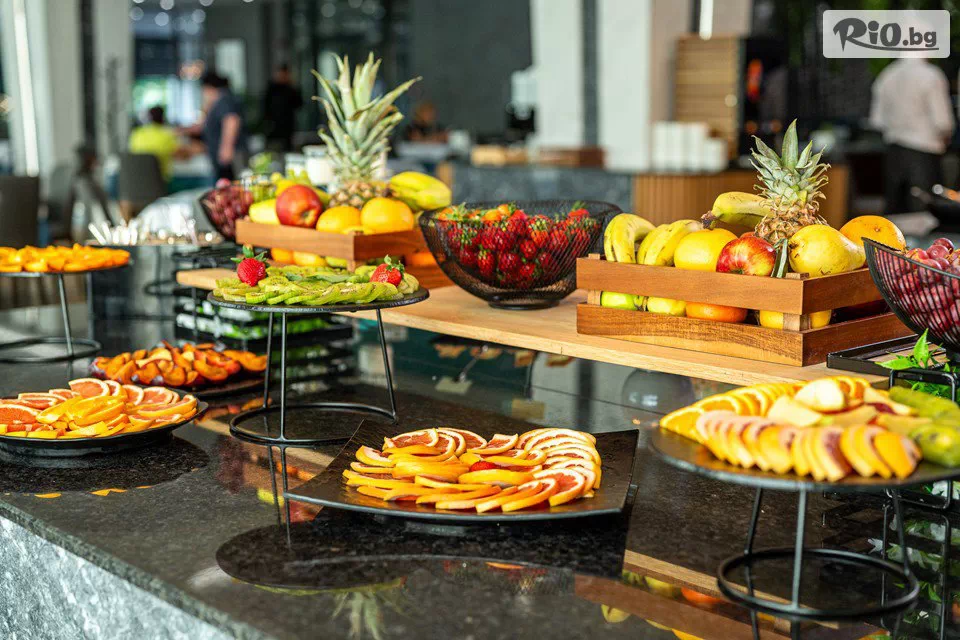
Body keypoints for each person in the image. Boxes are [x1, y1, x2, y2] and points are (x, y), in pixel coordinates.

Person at [870, 57, 955, 214]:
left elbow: (877, 121)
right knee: (927, 212)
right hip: (925, 151)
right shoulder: (931, 74)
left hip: (894, 151)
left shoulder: (887, 75)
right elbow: (943, 122)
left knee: (896, 213)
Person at [181, 72, 246, 183]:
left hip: (229, 156)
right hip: (221, 155)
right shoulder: (219, 102)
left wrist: (226, 148)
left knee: (230, 185)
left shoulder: (224, 99)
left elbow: (231, 120)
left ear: (208, 87)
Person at [128, 106, 187, 183]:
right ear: (163, 118)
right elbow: (182, 156)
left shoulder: (136, 134)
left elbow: (132, 152)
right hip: (162, 183)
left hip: (137, 182)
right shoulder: (167, 135)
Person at [262, 63, 303, 152]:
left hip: (287, 126)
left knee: (287, 149)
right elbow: (265, 107)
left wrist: (292, 86)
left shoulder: (291, 89)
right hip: (273, 126)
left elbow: (299, 104)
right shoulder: (271, 89)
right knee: (272, 150)